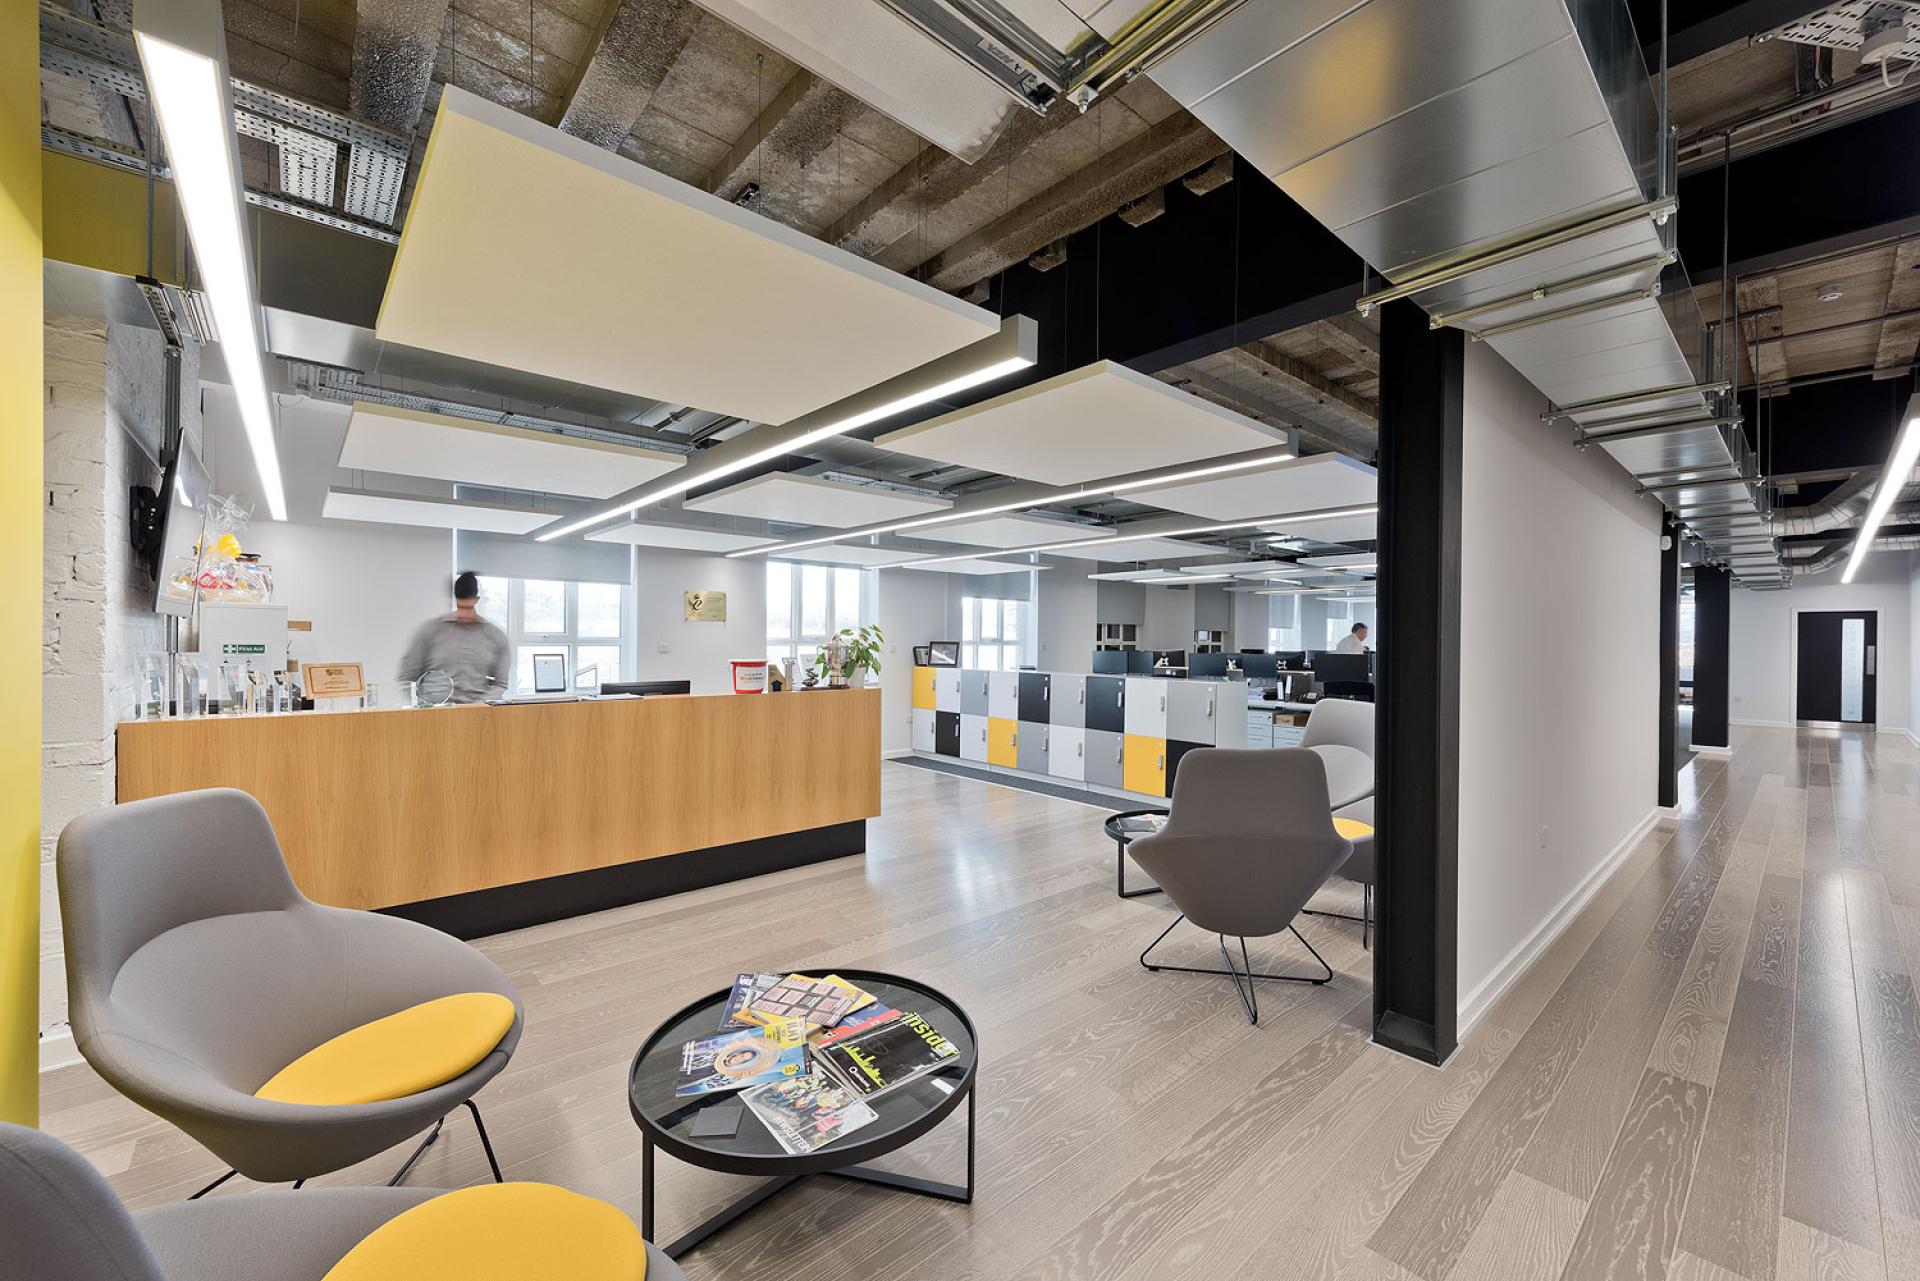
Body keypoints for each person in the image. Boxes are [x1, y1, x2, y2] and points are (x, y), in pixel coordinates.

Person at [399, 571, 509, 703]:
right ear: (454, 600)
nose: (463, 614)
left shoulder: (495, 636)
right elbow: (406, 676)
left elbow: (501, 684)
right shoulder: (430, 631)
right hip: (437, 713)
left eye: (468, 608)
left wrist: (478, 707)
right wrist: (422, 706)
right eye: (460, 606)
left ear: (476, 600)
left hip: (478, 714)